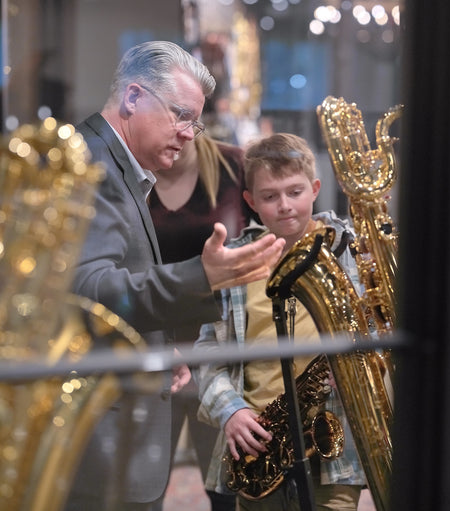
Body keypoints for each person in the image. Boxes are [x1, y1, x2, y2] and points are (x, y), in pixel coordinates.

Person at [66, 41, 284, 511]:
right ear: (133, 98)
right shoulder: (97, 166)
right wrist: (200, 277)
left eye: (196, 122)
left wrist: (160, 347)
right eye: (180, 116)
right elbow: (88, 291)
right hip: (99, 438)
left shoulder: (117, 163)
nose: (189, 134)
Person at [193, 133, 367, 511]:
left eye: (295, 192)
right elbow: (207, 352)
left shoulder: (348, 251)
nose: (285, 206)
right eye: (270, 197)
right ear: (251, 201)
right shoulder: (235, 260)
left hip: (332, 446)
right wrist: (231, 411)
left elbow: (379, 326)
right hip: (257, 445)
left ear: (315, 189)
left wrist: (358, 363)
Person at [148, 134, 253, 511]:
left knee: (226, 488)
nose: (178, 126)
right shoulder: (132, 171)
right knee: (144, 486)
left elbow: (275, 240)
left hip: (222, 349)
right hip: (152, 348)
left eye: (187, 114)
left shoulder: (233, 165)